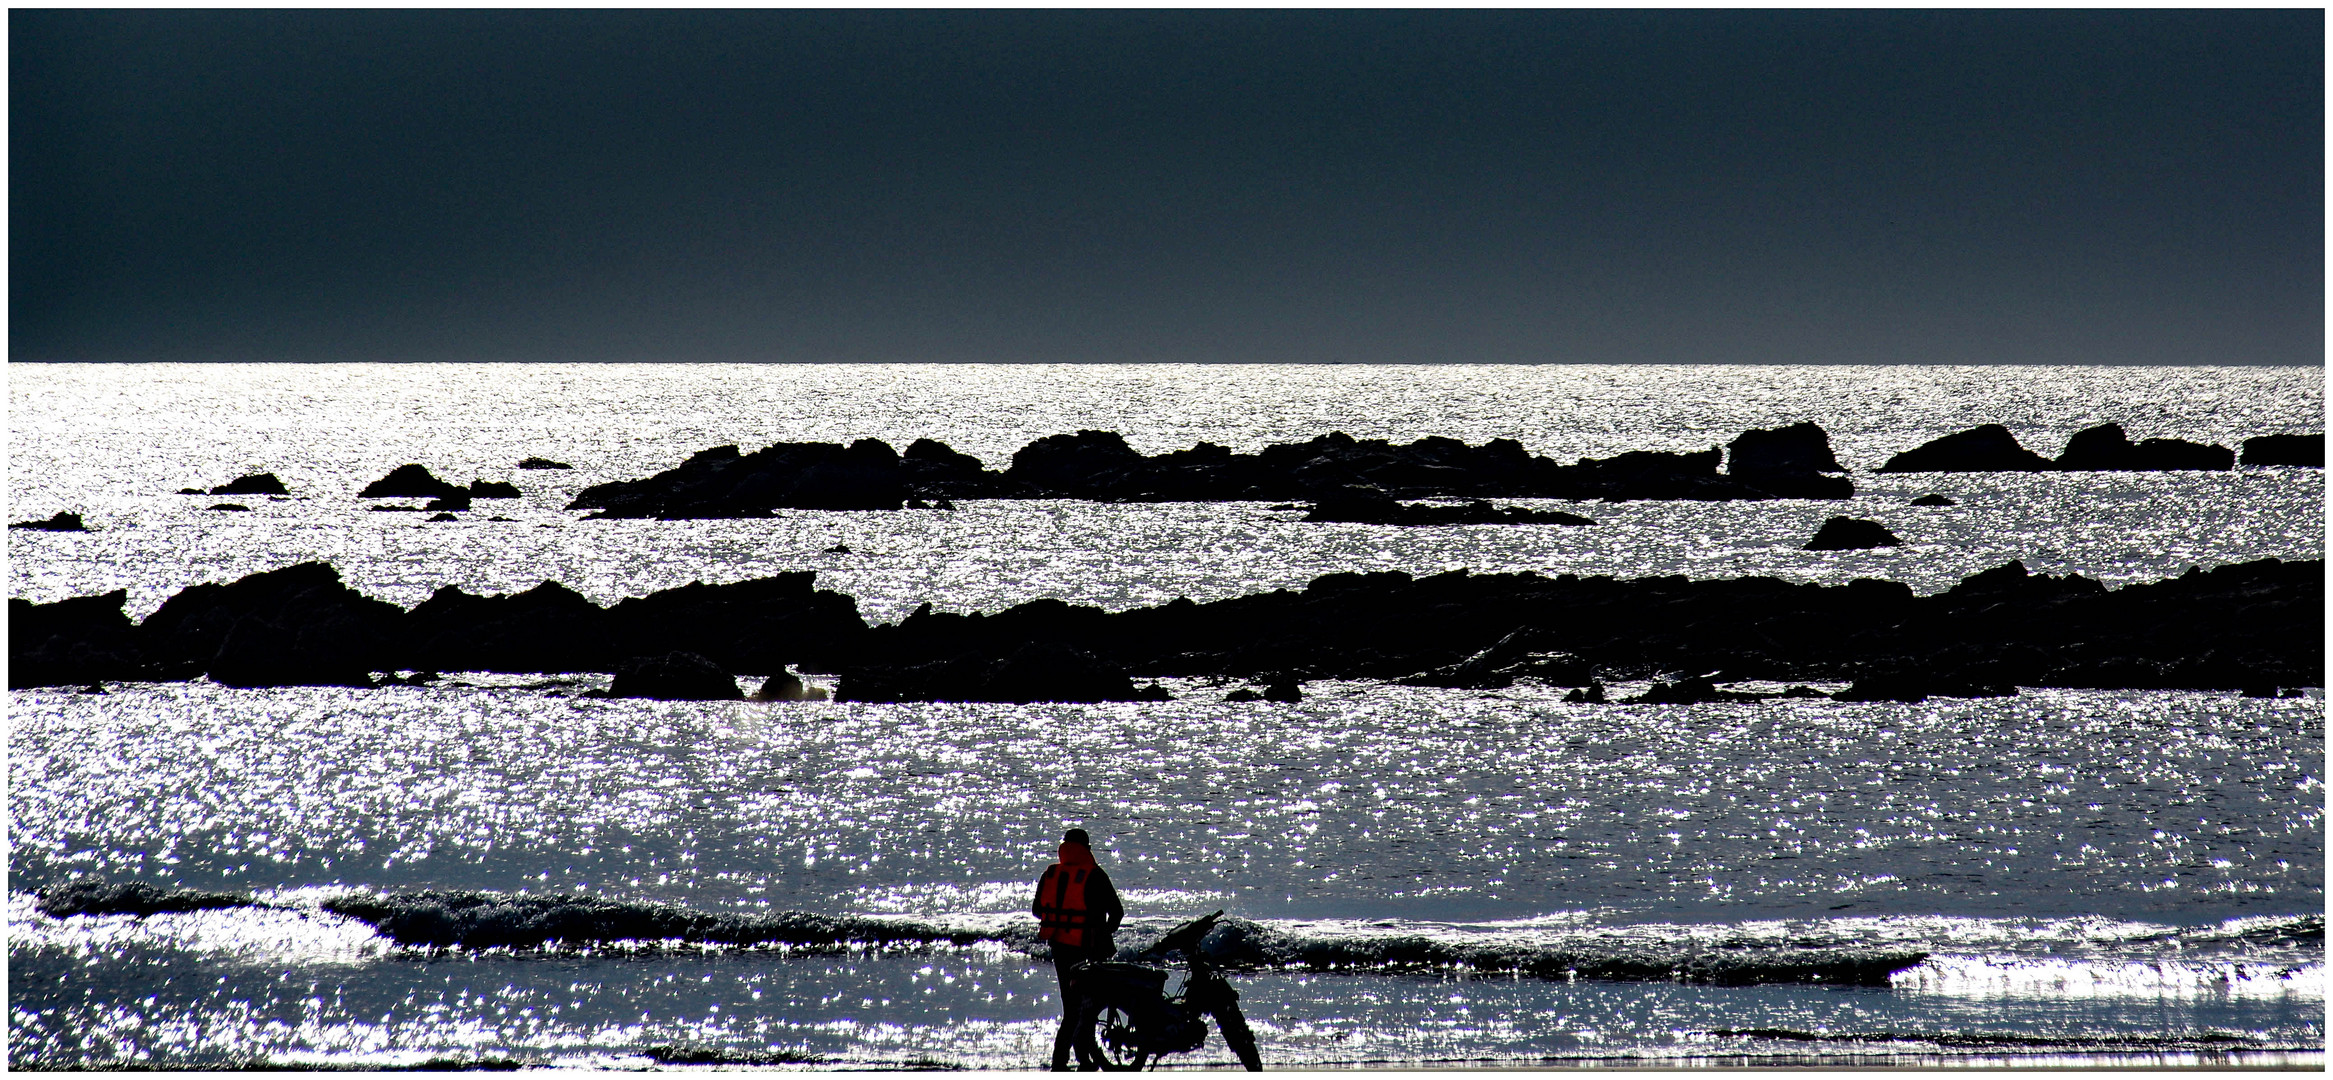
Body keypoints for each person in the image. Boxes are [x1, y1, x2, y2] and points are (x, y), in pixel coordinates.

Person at [1033, 827, 1124, 1070]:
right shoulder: (1095, 875)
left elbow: (1036, 910)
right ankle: (1079, 1061)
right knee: (1089, 1007)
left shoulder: (1051, 873)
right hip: (1088, 949)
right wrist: (1104, 933)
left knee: (1072, 1008)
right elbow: (1117, 912)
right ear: (1087, 849)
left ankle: (1063, 1062)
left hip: (1060, 949)